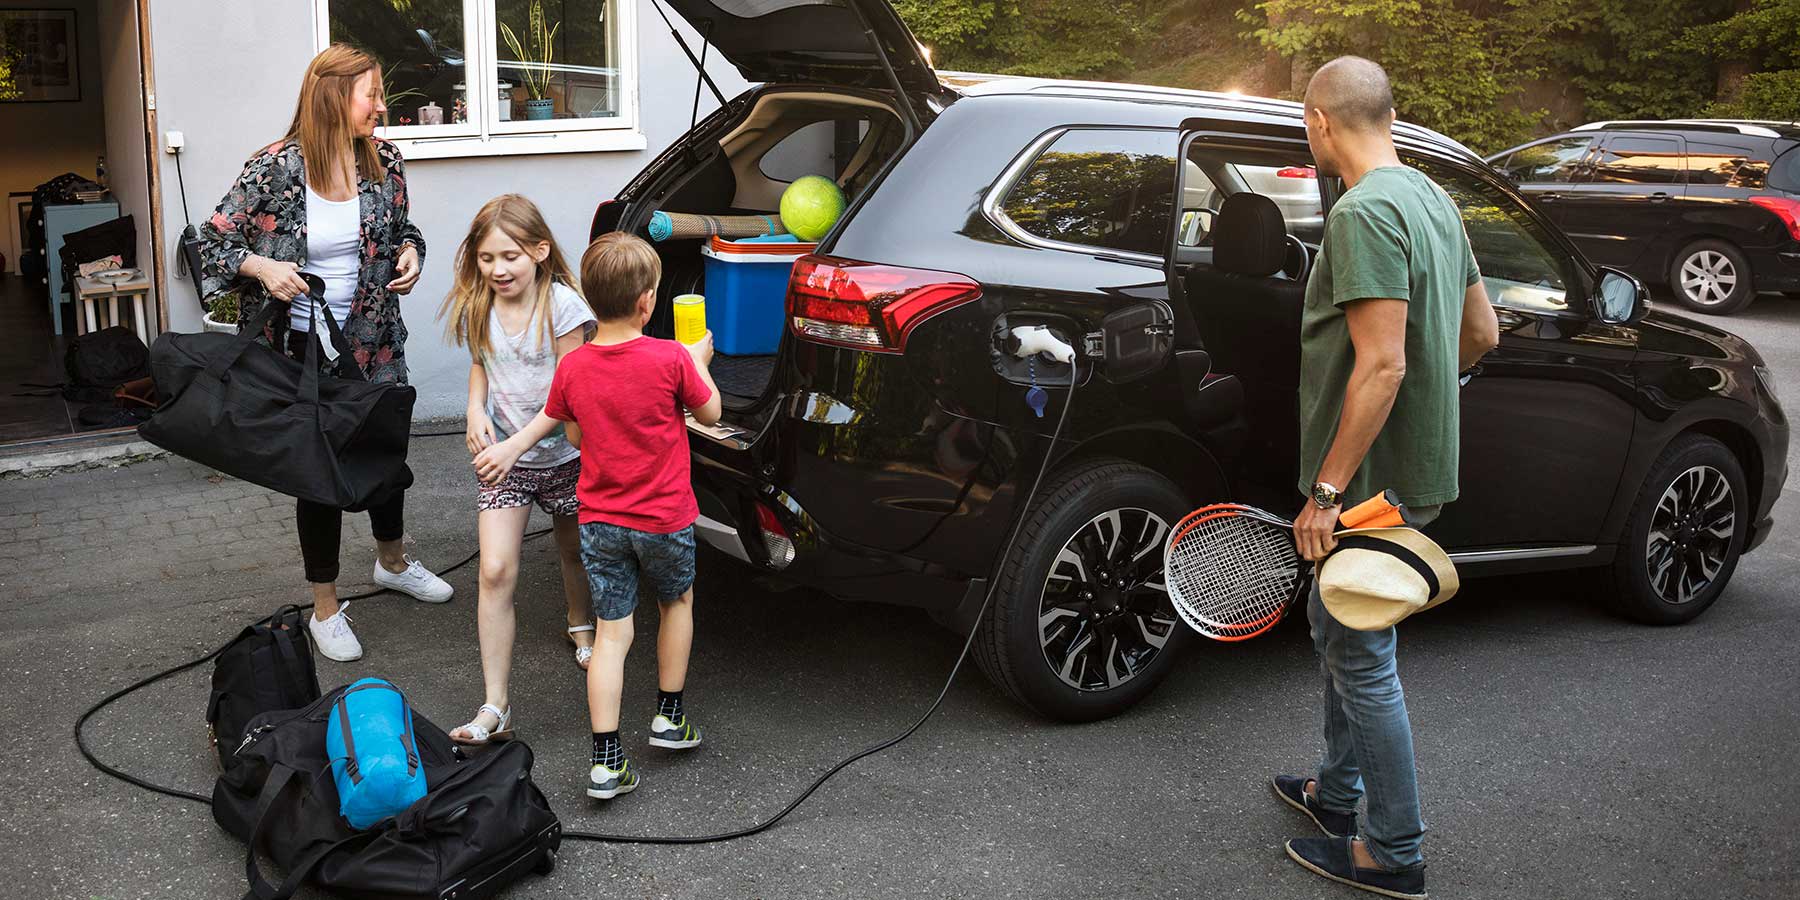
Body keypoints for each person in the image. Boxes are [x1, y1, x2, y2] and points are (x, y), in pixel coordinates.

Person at [1273, 56, 1499, 899]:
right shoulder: (1433, 197)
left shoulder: (1363, 213)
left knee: (1363, 655)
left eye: (1308, 124)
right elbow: (1483, 331)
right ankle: (1337, 795)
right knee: (1339, 620)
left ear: (1323, 123)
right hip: (1416, 468)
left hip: (1370, 480)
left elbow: (1381, 366)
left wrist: (1327, 493)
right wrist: (1436, 394)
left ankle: (1393, 853)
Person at [196, 44, 452, 662]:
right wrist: (261, 266)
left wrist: (412, 254)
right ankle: (325, 607)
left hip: (375, 336)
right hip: (303, 348)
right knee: (320, 471)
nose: (383, 108)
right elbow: (209, 245)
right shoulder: (275, 170)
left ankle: (392, 561)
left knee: (384, 449)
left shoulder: (383, 159)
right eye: (373, 95)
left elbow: (401, 229)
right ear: (336, 96)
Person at [474, 232, 721, 800]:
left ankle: (606, 761)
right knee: (674, 602)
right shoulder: (669, 357)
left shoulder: (574, 369)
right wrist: (697, 361)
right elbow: (710, 411)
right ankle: (669, 719)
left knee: (612, 634)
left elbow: (576, 433)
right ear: (647, 302)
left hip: (601, 522)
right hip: (663, 518)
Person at [438, 195, 598, 745]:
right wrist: (474, 409)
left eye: (509, 256)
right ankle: (495, 706)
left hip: (567, 456)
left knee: (573, 549)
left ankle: (580, 619)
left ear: (539, 251)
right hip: (506, 462)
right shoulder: (481, 306)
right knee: (495, 571)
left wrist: (516, 445)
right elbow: (481, 366)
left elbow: (569, 396)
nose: (497, 270)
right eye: (485, 258)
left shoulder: (564, 308)